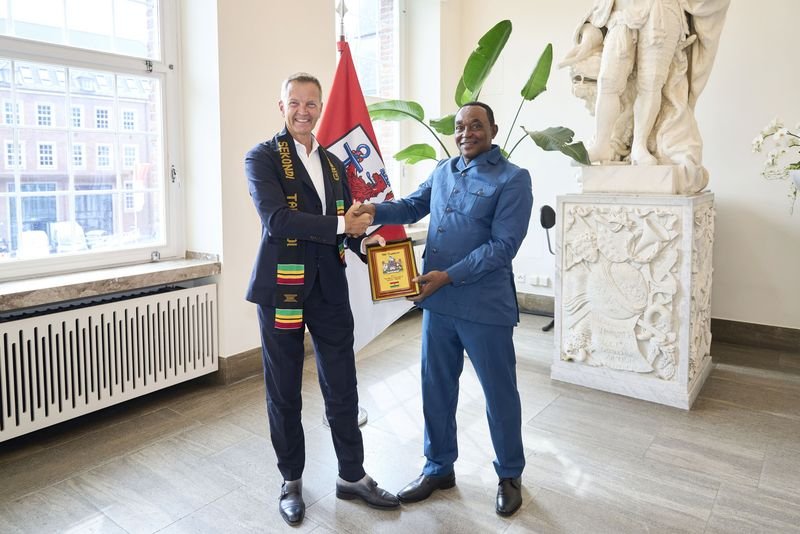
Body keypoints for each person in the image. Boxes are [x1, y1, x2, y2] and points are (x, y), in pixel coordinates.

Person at [355, 102, 533, 516]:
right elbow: (412, 206)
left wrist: (449, 275)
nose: (466, 132)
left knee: (499, 394)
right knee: (435, 388)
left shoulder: (513, 179)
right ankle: (438, 468)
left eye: (476, 125)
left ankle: (510, 474)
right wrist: (374, 209)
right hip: (438, 304)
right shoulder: (443, 170)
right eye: (460, 126)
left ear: (493, 129)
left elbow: (502, 247)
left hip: (484, 307)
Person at [244, 72, 399, 526]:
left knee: (342, 383)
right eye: (295, 102)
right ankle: (291, 480)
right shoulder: (262, 157)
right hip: (283, 288)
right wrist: (343, 227)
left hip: (329, 288)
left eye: (311, 103)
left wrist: (366, 243)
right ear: (282, 107)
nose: (303, 111)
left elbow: (346, 222)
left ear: (320, 107)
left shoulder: (333, 163)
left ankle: (352, 475)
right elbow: (278, 220)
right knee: (284, 389)